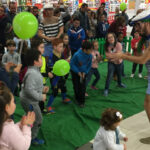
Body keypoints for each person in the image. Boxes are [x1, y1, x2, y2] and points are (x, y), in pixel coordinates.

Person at [107, 9, 150, 125]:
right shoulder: (146, 38)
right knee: (147, 104)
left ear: (147, 23)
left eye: (138, 25)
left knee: (147, 104)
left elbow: (142, 60)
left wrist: (122, 56)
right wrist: (126, 54)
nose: (136, 29)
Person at [20, 50, 47, 145]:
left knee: (29, 115)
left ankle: (23, 127)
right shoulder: (33, 73)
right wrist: (41, 96)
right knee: (38, 119)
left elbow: (32, 86)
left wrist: (43, 88)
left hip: (28, 100)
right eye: (40, 58)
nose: (42, 59)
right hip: (30, 101)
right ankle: (32, 138)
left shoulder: (34, 71)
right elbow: (29, 90)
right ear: (35, 62)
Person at [0, 81, 35, 150]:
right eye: (13, 101)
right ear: (7, 107)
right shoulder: (8, 130)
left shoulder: (3, 124)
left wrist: (21, 124)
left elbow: (10, 133)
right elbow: (23, 146)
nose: (15, 103)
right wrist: (27, 126)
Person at [47, 38, 71, 113]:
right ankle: (48, 106)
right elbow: (50, 67)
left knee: (63, 87)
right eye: (60, 46)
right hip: (54, 78)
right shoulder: (51, 56)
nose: (62, 48)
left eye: (62, 46)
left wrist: (65, 62)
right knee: (55, 91)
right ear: (54, 47)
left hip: (61, 75)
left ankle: (64, 98)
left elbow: (62, 62)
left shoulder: (61, 54)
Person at [71, 40, 92, 107]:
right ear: (85, 50)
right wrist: (78, 72)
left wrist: (85, 72)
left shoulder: (90, 56)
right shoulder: (76, 55)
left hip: (83, 73)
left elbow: (89, 65)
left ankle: (82, 102)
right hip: (75, 73)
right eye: (90, 50)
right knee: (76, 86)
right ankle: (77, 97)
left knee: (82, 87)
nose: (91, 51)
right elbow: (72, 64)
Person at [31, 37, 49, 113]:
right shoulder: (33, 60)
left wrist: (49, 72)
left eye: (43, 47)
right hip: (35, 84)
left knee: (43, 96)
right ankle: (33, 112)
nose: (43, 49)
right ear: (35, 48)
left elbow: (45, 68)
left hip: (43, 82)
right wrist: (46, 74)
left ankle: (42, 109)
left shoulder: (43, 58)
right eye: (41, 47)